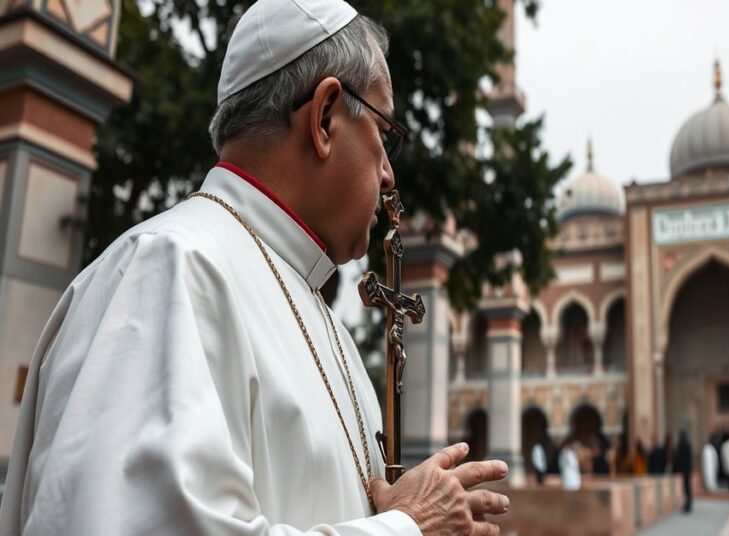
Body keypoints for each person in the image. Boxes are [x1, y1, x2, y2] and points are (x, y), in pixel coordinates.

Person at [0, 1, 511, 534]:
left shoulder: (328, 327)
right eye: (385, 134)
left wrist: (392, 517)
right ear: (326, 116)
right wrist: (407, 527)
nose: (388, 175)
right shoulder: (170, 270)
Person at [672, 431, 693, 513]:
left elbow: (679, 458)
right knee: (688, 486)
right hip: (687, 468)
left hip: (684, 469)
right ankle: (688, 504)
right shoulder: (688, 444)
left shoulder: (682, 445)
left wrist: (676, 468)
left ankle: (687, 505)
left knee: (686, 487)